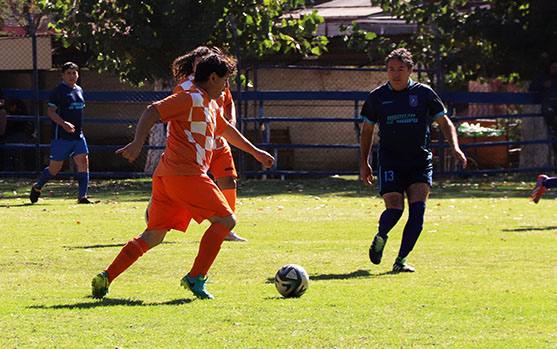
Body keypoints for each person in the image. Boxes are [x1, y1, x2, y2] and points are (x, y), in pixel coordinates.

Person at [91, 53, 274, 300]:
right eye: (225, 80)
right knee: (226, 221)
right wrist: (137, 144)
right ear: (212, 77)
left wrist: (256, 152)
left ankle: (106, 277)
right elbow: (152, 111)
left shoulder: (208, 103)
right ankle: (195, 277)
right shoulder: (191, 98)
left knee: (153, 236)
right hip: (185, 175)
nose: (227, 86)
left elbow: (226, 129)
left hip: (167, 176)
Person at [360, 48, 467, 273]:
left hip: (419, 161)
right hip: (390, 161)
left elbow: (445, 122)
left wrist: (454, 146)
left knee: (417, 211)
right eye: (391, 69)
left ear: (410, 70)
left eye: (400, 69)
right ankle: (381, 236)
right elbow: (367, 130)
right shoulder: (377, 97)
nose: (395, 74)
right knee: (395, 208)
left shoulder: (424, 94)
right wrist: (364, 162)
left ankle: (400, 260)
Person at [170, 46, 246, 242]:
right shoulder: (186, 88)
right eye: (200, 60)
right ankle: (163, 206)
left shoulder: (219, 84)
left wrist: (232, 120)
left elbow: (228, 103)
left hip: (219, 143)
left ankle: (227, 228)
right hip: (197, 147)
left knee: (228, 180)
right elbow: (163, 112)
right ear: (194, 63)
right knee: (190, 187)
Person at [29, 62, 93, 204]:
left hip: (78, 136)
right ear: (63, 75)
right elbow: (50, 112)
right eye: (68, 73)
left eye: (74, 73)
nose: (72, 75)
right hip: (61, 137)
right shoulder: (58, 91)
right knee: (54, 168)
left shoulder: (79, 90)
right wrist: (64, 124)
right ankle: (38, 187)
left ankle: (82, 197)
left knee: (83, 161)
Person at [529, 60, 557, 155]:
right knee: (547, 112)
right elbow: (532, 87)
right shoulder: (543, 78)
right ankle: (554, 129)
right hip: (548, 104)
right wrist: (543, 85)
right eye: (553, 67)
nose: (555, 70)